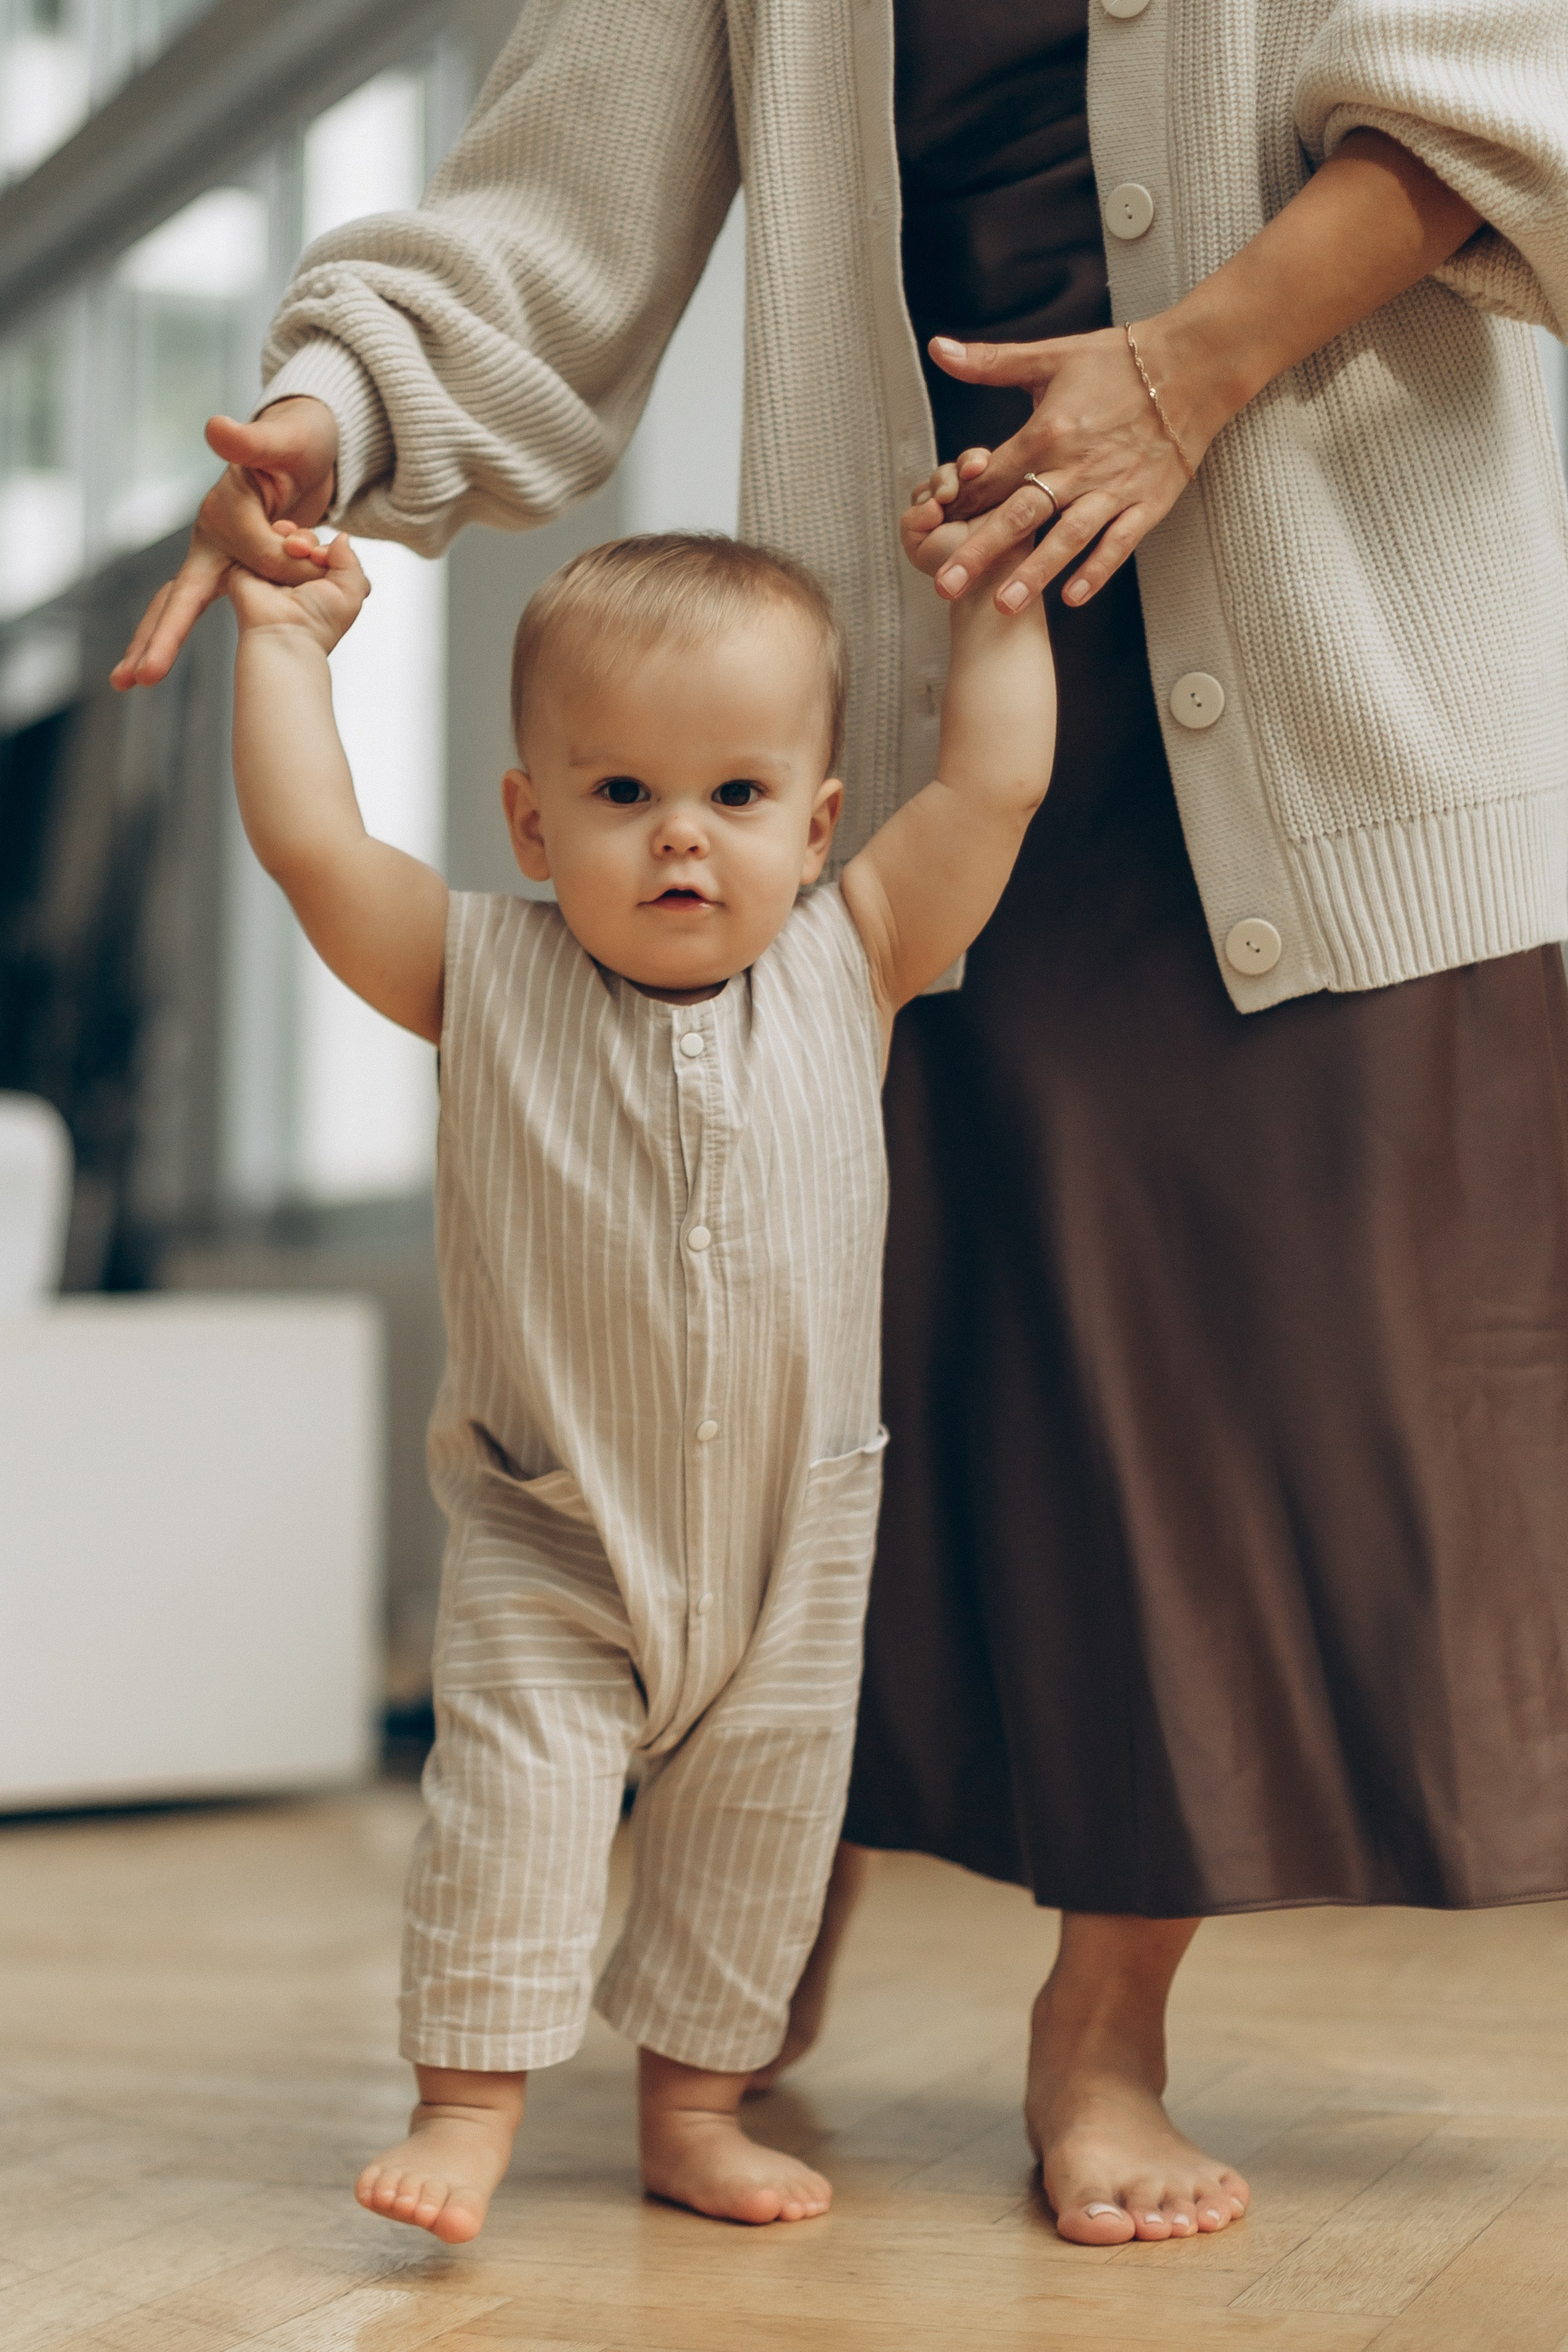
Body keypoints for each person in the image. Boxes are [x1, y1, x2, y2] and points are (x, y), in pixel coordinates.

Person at [116, 0, 1568, 2252]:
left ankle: (1102, 2028)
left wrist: (1182, 370)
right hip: (922, 643)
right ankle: (733, 1980)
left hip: (1319, 627)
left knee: (1189, 1393)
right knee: (882, 1357)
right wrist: (326, 417)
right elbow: (546, 215)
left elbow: (1519, 85)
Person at [221, 508, 1054, 2242]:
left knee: (758, 1826)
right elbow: (311, 847)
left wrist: (1000, 616)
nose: (684, 839)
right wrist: (286, 650)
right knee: (513, 1805)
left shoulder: (852, 956)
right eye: (621, 799)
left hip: (796, 1531)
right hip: (552, 1526)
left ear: (817, 825)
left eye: (739, 799)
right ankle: (467, 2101)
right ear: (531, 818)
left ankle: (695, 2108)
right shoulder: (481, 971)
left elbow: (992, 796)